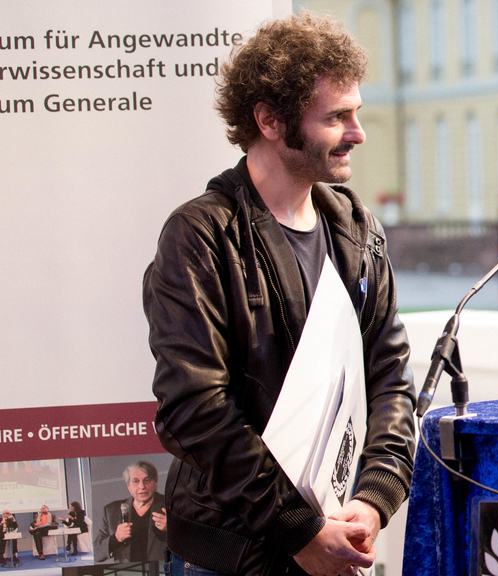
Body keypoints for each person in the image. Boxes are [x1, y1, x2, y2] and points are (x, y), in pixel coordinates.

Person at [143, 13, 416, 576]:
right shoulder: (200, 235)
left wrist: (374, 499)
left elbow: (389, 377)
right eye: (338, 116)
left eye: (356, 113)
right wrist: (298, 529)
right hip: (229, 557)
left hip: (339, 538)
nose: (358, 132)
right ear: (268, 120)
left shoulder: (359, 229)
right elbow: (196, 410)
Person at [94, 461, 166, 563]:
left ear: (155, 482)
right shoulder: (111, 511)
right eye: (136, 481)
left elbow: (192, 545)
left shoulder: (171, 506)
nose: (142, 486)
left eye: (147, 480)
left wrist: (171, 528)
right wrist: (115, 538)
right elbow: (96, 554)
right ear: (128, 486)